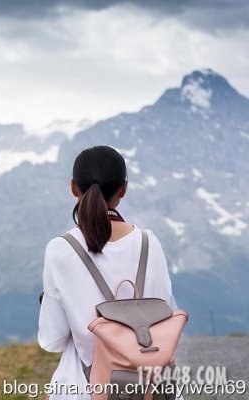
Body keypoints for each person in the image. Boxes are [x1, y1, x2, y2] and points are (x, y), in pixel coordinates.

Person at [37, 145, 179, 399]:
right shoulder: (150, 242)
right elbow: (166, 313)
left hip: (86, 389)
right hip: (151, 386)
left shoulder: (61, 249)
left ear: (73, 188)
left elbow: (53, 340)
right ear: (123, 189)